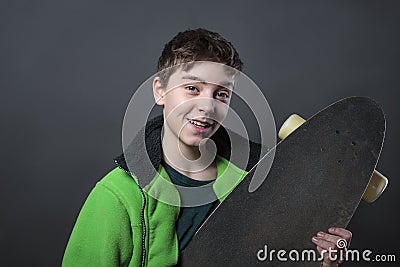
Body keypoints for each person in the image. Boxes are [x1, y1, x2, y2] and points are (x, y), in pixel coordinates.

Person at [62, 28, 352, 267]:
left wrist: (318, 262)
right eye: (192, 88)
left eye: (221, 94)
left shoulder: (255, 182)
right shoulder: (117, 196)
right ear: (160, 90)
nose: (207, 105)